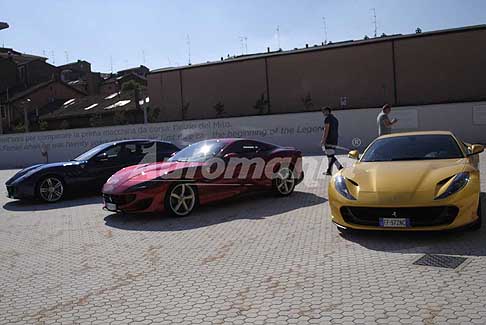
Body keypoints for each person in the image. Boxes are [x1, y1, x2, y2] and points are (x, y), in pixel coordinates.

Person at [320, 107, 343, 176]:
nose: (323, 113)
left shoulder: (327, 119)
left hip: (329, 140)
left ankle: (340, 168)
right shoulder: (335, 119)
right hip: (335, 139)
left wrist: (323, 140)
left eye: (324, 111)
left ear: (327, 111)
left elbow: (326, 130)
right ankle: (330, 170)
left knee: (330, 156)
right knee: (330, 156)